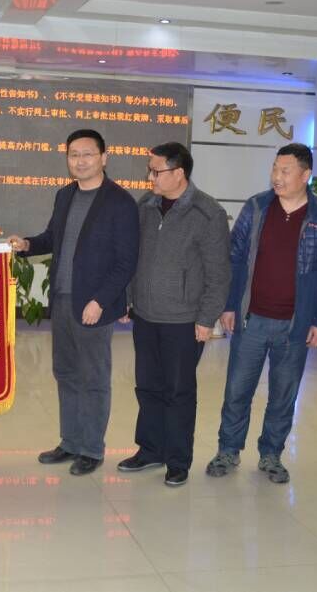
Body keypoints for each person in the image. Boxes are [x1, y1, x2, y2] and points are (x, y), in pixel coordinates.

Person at [207, 142, 317, 484]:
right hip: (251, 319)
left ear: (305, 175)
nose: (277, 177)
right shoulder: (256, 207)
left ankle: (271, 455)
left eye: (285, 171)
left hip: (295, 325)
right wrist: (229, 304)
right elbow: (235, 258)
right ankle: (228, 450)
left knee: (283, 395)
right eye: (274, 169)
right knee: (237, 390)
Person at [8, 128, 139, 476]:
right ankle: (70, 442)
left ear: (104, 158)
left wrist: (100, 301)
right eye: (74, 155)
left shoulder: (120, 202)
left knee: (93, 377)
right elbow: (53, 238)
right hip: (63, 300)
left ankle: (91, 449)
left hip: (94, 305)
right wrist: (27, 245)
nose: (80, 161)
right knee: (66, 373)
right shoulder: (65, 195)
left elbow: (126, 262)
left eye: (87, 154)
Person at [119, 142, 230, 487]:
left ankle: (178, 460)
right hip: (145, 315)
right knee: (147, 386)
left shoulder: (207, 213)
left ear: (179, 173)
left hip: (184, 320)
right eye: (149, 171)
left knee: (178, 391)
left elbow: (218, 273)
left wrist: (206, 318)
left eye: (156, 171)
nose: (150, 177)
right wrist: (127, 299)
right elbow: (133, 256)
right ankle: (150, 449)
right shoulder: (146, 205)